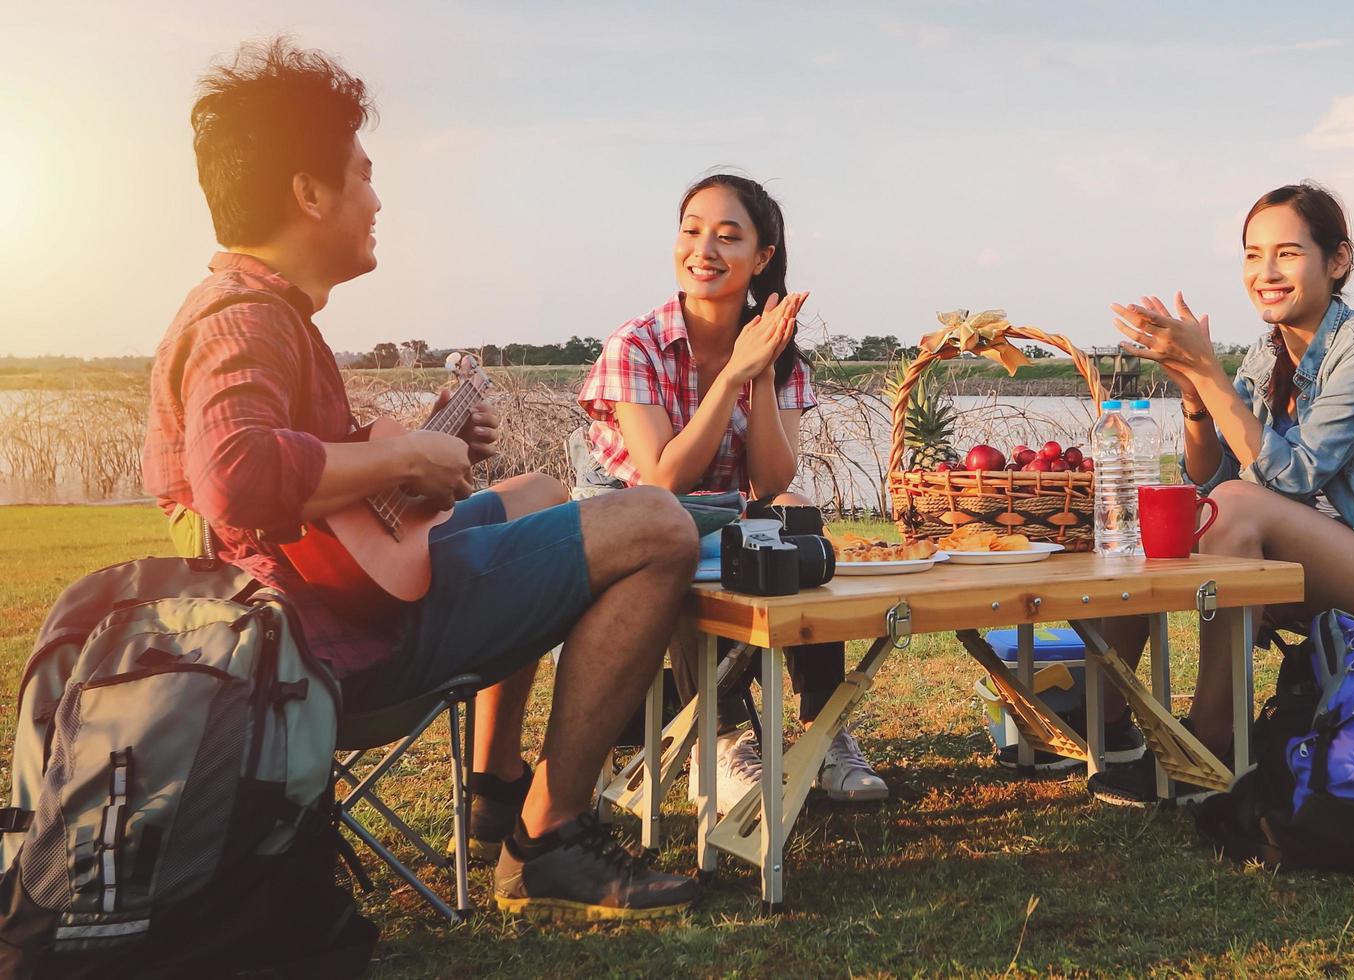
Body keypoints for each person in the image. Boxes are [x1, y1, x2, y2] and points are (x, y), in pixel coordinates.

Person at [145, 38, 702, 921]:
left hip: (334, 609)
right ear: (308, 192)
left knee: (542, 493)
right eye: (363, 174)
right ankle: (547, 840)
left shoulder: (257, 312)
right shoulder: (245, 319)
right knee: (659, 522)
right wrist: (405, 457)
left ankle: (493, 786)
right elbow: (236, 475)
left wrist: (433, 456)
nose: (375, 197)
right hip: (333, 649)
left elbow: (322, 507)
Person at [1085, 182, 1354, 806]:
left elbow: (1293, 476)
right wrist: (1196, 396)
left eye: (1287, 253)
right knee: (1162, 517)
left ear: (1338, 261)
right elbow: (1214, 479)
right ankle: (1108, 726)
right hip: (1312, 552)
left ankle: (1214, 746)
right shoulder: (1266, 352)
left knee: (1241, 509)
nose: (1265, 272)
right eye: (1252, 254)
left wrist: (1209, 371)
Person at [577, 173, 888, 808]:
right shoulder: (636, 345)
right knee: (682, 533)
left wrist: (763, 371)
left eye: (727, 236)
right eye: (691, 232)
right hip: (635, 528)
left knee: (797, 523)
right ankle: (714, 743)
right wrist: (729, 382)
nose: (703, 251)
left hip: (725, 525)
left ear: (762, 257)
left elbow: (770, 480)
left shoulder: (774, 350)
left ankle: (824, 731)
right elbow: (664, 479)